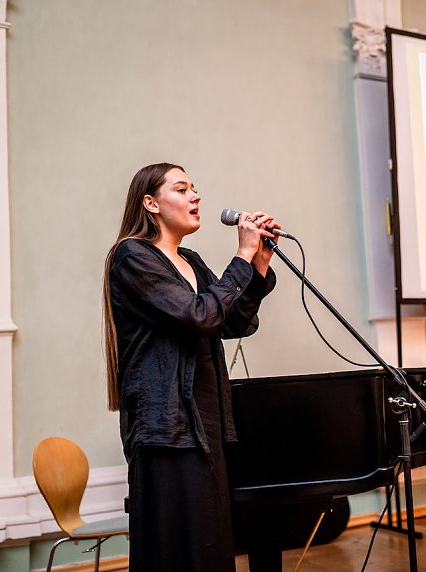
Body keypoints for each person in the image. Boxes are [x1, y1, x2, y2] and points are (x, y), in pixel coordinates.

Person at [102, 162, 279, 571]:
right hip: (165, 427)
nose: (195, 196)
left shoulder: (192, 260)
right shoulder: (132, 256)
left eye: (194, 188)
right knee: (177, 547)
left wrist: (259, 266)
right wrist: (241, 254)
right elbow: (198, 315)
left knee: (210, 542)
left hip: (205, 419)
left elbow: (233, 322)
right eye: (182, 189)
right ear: (151, 203)